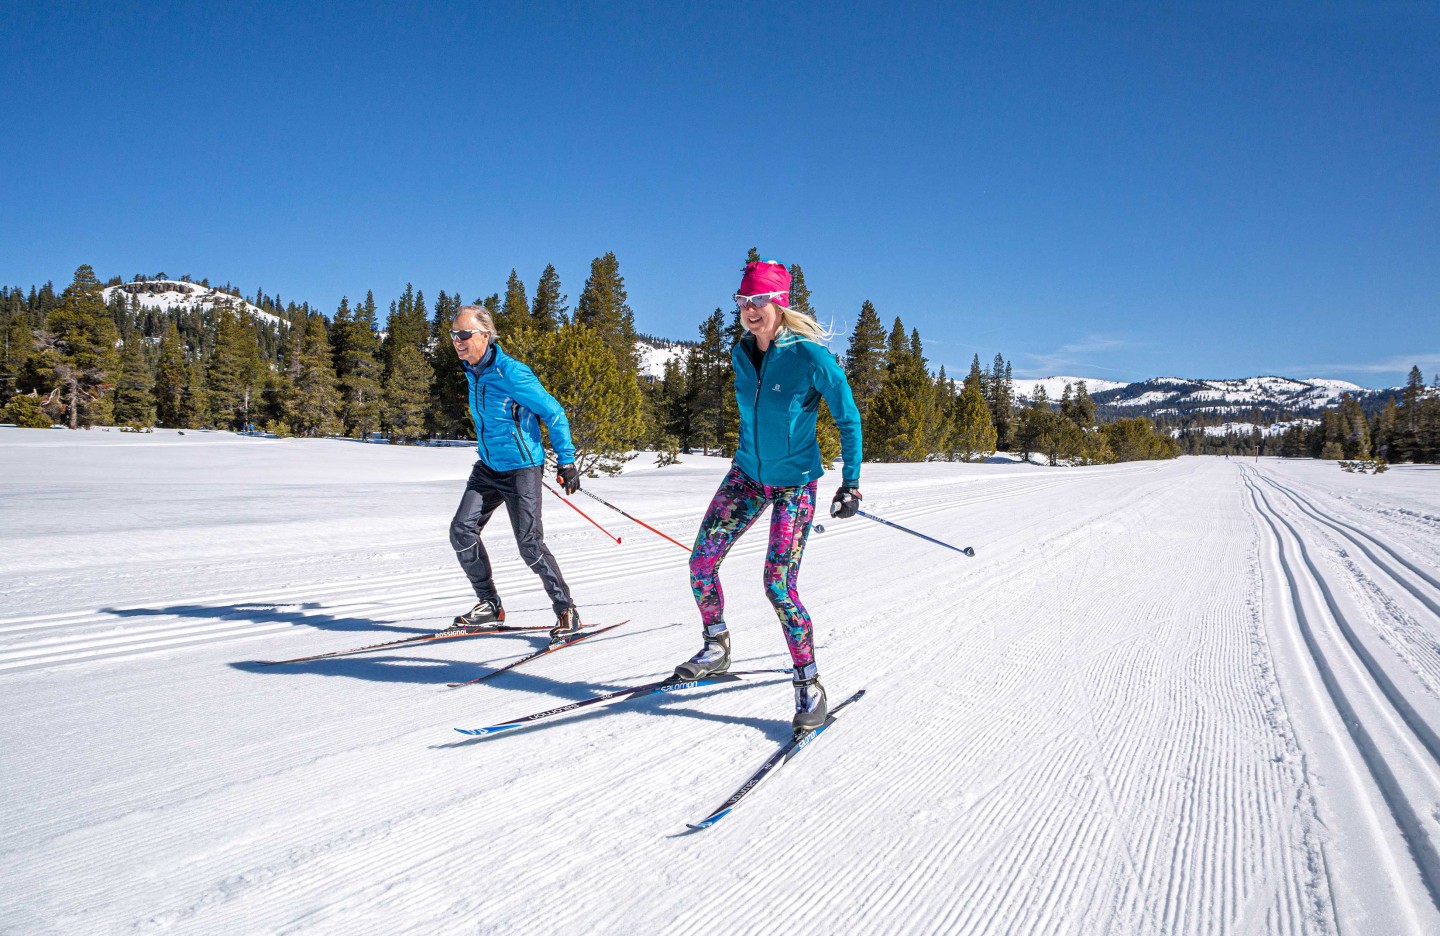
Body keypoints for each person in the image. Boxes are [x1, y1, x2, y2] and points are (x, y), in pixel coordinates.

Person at [673, 260, 864, 736]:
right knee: (700, 563)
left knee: (778, 586)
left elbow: (849, 420)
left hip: (795, 483)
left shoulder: (812, 357)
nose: (748, 310)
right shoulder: (741, 352)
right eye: (742, 301)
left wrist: (851, 483)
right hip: (747, 476)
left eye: (757, 301)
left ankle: (809, 684)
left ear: (779, 303)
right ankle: (716, 647)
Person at [443, 305, 585, 644]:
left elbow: (553, 412)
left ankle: (567, 611)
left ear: (485, 335)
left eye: (464, 335)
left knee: (529, 544)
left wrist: (566, 462)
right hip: (488, 468)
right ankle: (490, 604)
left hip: (522, 469)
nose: (458, 342)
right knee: (461, 530)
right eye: (453, 335)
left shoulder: (511, 373)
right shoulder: (472, 371)